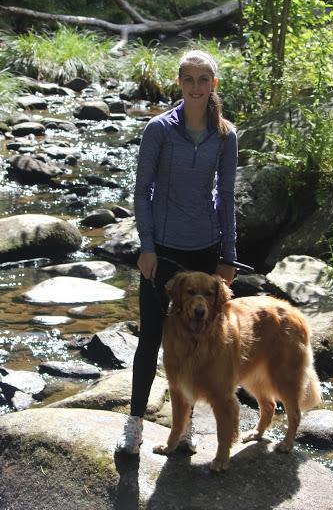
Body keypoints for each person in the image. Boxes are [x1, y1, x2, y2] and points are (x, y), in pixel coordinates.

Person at [115, 49, 238, 454]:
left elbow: (226, 198)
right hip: (163, 253)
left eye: (204, 80)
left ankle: (184, 430)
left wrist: (227, 256)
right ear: (179, 83)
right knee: (151, 338)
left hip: (204, 255)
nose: (197, 87)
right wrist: (146, 247)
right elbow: (142, 192)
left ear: (214, 85)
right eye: (189, 79)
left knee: (199, 343)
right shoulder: (159, 130)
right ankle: (133, 426)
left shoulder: (225, 135)